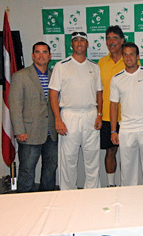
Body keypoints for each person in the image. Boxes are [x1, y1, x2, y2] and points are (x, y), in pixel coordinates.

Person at [49, 32, 103, 189]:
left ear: (87, 44)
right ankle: (68, 194)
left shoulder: (94, 67)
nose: (79, 43)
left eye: (82, 40)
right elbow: (53, 94)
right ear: (71, 44)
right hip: (69, 117)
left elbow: (100, 93)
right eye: (76, 40)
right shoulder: (61, 66)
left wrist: (99, 115)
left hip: (90, 116)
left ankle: (92, 193)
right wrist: (58, 119)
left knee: (92, 159)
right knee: (68, 160)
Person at [110, 42, 143, 186]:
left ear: (137, 56)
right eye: (125, 54)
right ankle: (128, 199)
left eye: (131, 54)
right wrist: (114, 130)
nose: (128, 58)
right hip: (126, 128)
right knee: (127, 168)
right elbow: (113, 105)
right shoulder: (117, 78)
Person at [9, 42, 58, 193]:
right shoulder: (21, 76)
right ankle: (24, 202)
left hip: (51, 132)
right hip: (29, 132)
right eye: (37, 52)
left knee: (50, 168)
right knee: (27, 169)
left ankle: (47, 199)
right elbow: (15, 105)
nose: (41, 55)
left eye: (44, 52)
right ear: (32, 55)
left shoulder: (54, 76)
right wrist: (19, 130)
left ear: (50, 56)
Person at [98, 26, 126, 187]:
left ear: (122, 40)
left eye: (115, 38)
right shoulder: (102, 62)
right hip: (108, 116)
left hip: (128, 116)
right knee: (111, 151)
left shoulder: (131, 59)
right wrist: (99, 113)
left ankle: (126, 185)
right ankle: (110, 186)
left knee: (128, 155)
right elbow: (99, 91)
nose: (111, 41)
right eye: (108, 38)